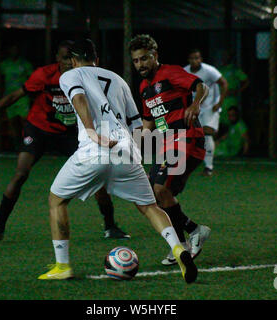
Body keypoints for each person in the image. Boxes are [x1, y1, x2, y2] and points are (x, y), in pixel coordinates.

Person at [38, 39, 197, 283]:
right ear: (96, 59)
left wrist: (91, 131)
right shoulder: (118, 79)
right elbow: (136, 123)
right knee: (149, 206)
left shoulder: (70, 75)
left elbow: (78, 98)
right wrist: (139, 156)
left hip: (95, 148)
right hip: (126, 150)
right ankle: (179, 250)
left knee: (56, 200)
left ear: (72, 61)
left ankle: (62, 265)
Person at [0, 40, 130, 243]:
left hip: (69, 133)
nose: (69, 62)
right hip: (39, 129)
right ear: (57, 59)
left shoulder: (86, 78)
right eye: (64, 58)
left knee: (96, 175)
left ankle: (110, 226)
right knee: (20, 174)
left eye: (72, 58)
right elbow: (14, 96)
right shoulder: (44, 75)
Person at [129, 34, 211, 266]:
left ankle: (187, 240)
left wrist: (195, 104)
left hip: (187, 140)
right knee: (150, 194)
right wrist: (134, 149)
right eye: (136, 61)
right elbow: (147, 124)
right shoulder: (144, 87)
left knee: (160, 188)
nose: (140, 65)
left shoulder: (170, 73)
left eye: (144, 59)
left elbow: (200, 85)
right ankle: (190, 235)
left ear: (155, 56)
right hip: (167, 146)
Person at [184, 48, 228, 176]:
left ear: (201, 59)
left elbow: (224, 83)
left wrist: (219, 103)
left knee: (207, 133)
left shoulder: (209, 70)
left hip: (210, 107)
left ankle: (208, 167)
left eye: (197, 58)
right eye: (192, 58)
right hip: (193, 108)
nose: (195, 61)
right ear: (189, 60)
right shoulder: (184, 71)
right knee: (191, 135)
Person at [0, 45, 34, 149]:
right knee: (12, 122)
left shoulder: (25, 64)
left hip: (22, 97)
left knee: (25, 121)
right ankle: (15, 146)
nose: (14, 51)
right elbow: (0, 80)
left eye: (16, 49)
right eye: (12, 49)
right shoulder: (4, 64)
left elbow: (32, 80)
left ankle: (28, 144)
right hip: (9, 97)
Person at [218, 50, 249, 126]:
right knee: (220, 122)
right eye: (223, 56)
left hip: (231, 100)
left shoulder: (234, 70)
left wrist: (237, 91)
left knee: (231, 121)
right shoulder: (219, 70)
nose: (224, 58)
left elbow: (246, 81)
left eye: (226, 56)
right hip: (221, 100)